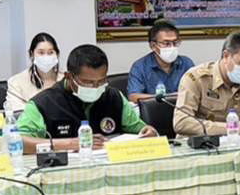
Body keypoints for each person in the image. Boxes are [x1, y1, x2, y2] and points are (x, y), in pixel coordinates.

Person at [18, 43, 159, 148]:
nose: (95, 87)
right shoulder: (44, 103)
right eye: (87, 82)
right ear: (69, 77)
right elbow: (19, 142)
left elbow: (139, 128)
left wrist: (149, 131)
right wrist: (70, 144)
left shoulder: (113, 97)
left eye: (101, 81)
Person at [127, 20, 194, 100]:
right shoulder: (140, 66)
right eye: (166, 43)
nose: (172, 47)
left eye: (175, 42)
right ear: (153, 46)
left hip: (182, 107)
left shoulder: (186, 63)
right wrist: (164, 98)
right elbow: (133, 96)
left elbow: (197, 91)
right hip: (153, 107)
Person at [6, 33, 63, 113]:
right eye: (41, 53)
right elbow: (17, 112)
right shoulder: (16, 82)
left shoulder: (66, 80)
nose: (46, 57)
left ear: (57, 54)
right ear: (32, 54)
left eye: (50, 52)